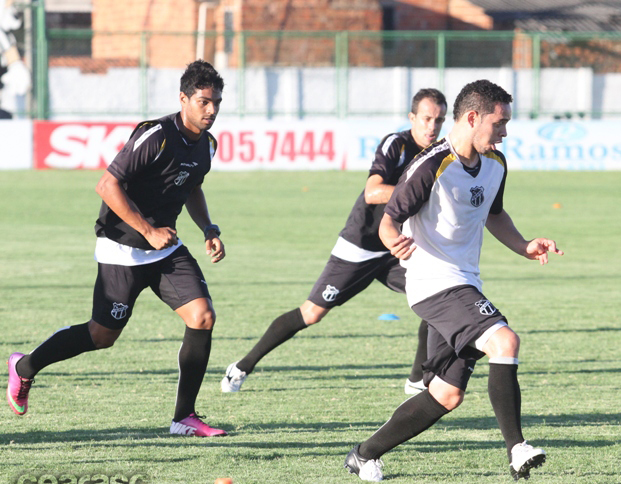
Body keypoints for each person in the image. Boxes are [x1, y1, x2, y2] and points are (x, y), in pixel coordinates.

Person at [344, 79, 563, 482]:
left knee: (447, 393)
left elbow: (495, 214)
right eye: (499, 124)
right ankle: (517, 449)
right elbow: (389, 216)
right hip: (433, 283)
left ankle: (364, 454)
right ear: (473, 118)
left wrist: (525, 245)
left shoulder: (495, 164)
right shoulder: (430, 166)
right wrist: (392, 238)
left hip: (464, 282)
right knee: (505, 341)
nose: (505, 132)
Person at [6, 59, 228, 437]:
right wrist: (148, 229)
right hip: (121, 249)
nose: (211, 111)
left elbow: (192, 186)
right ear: (183, 99)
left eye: (217, 103)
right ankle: (24, 367)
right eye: (204, 102)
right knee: (101, 336)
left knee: (202, 317)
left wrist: (207, 227)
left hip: (164, 251)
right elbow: (107, 185)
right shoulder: (155, 135)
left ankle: (183, 417)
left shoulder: (206, 145)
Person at [220, 88, 448, 394]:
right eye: (426, 118)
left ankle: (418, 380)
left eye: (439, 120)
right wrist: (417, 192)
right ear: (412, 118)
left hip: (396, 247)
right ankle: (242, 366)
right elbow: (373, 191)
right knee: (311, 314)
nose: (432, 126)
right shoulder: (397, 144)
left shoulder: (440, 153)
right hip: (361, 244)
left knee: (439, 295)